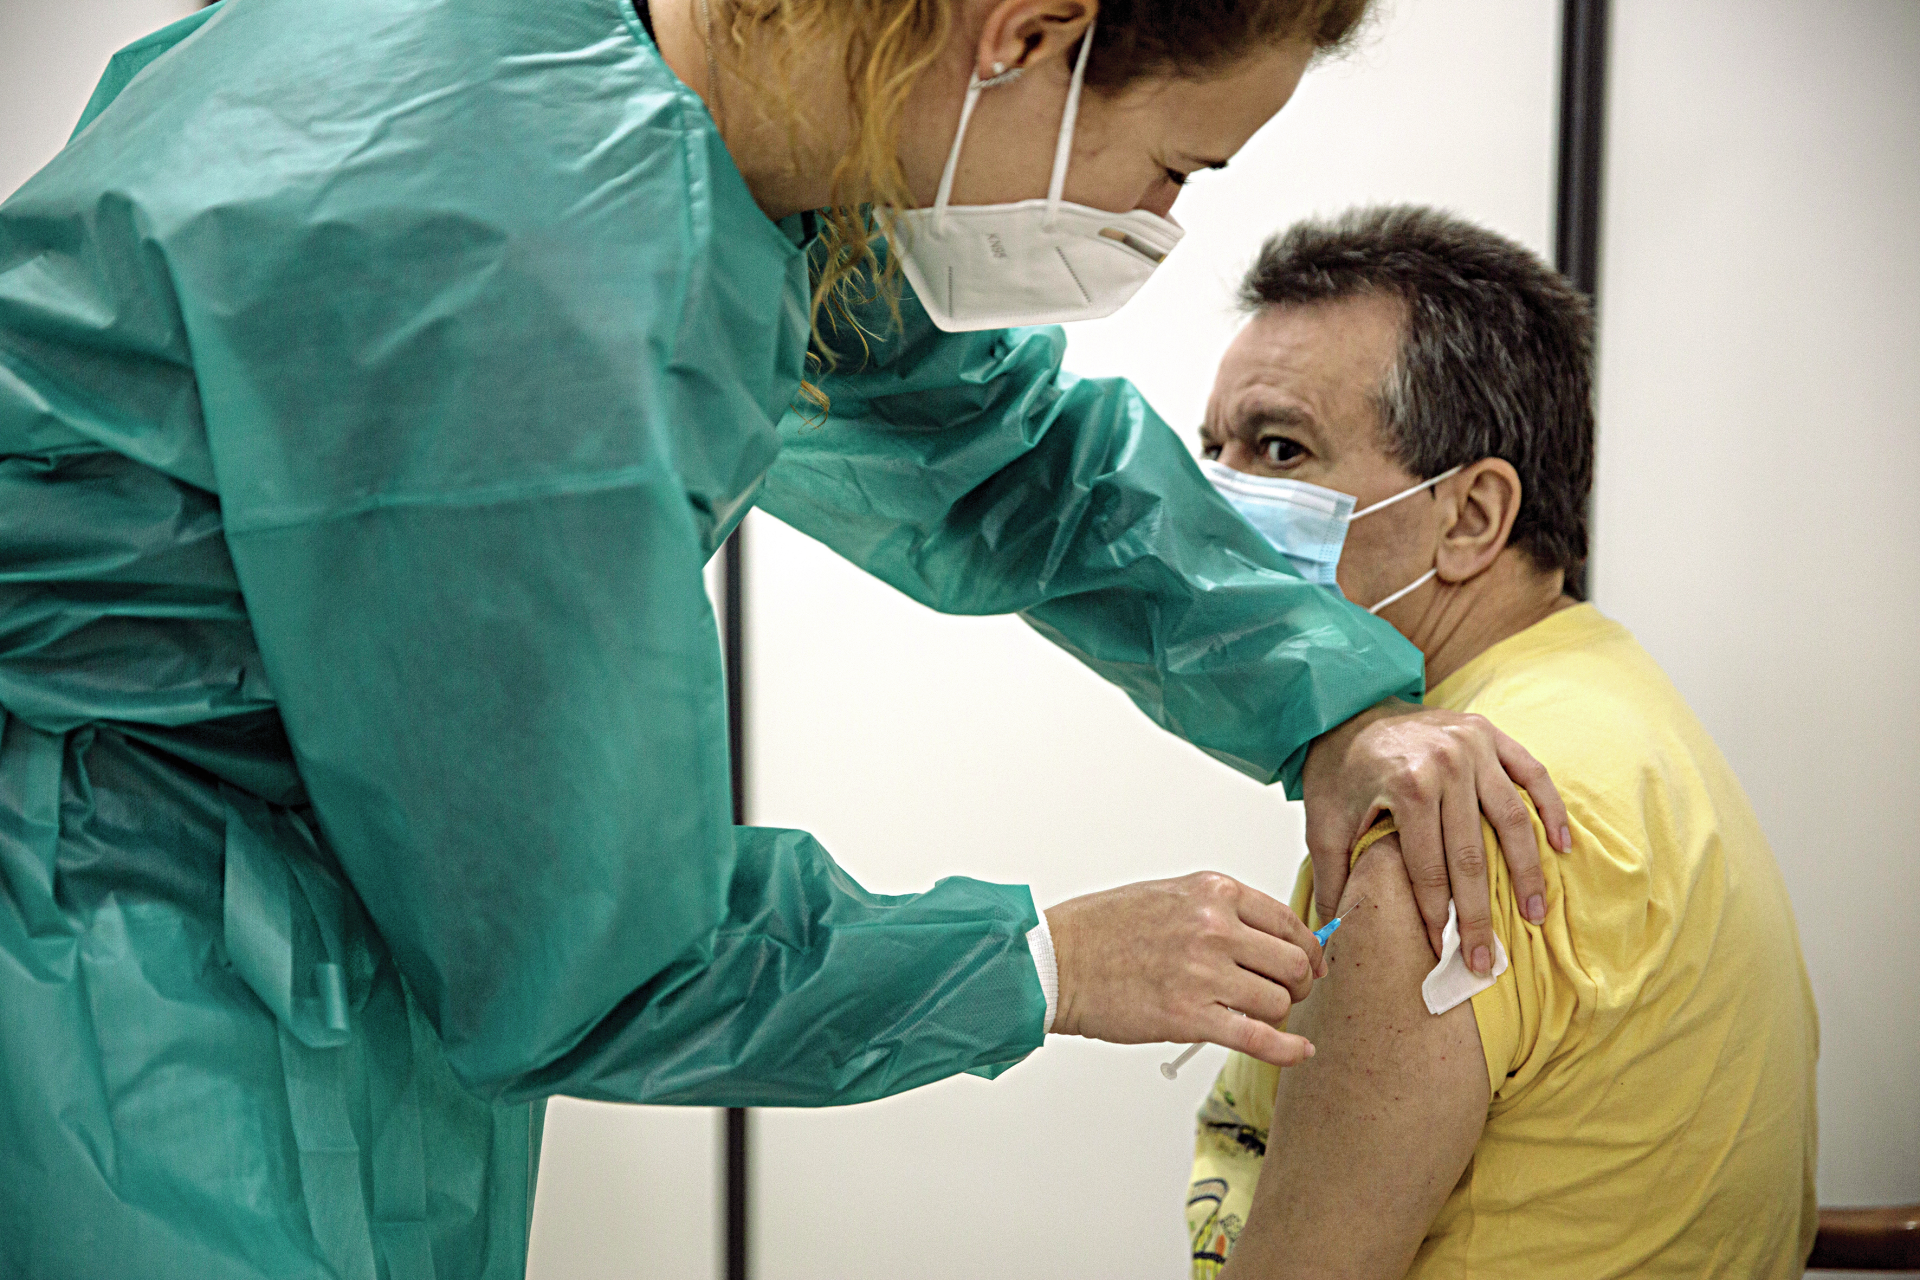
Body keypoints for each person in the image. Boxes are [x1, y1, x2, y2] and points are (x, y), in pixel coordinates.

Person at [0, 1, 1570, 1274]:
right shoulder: (517, 254)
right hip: (112, 970)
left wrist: (1334, 697)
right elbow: (597, 951)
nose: (1156, 222)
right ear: (1020, 37)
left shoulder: (688, 102)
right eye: (1177, 167)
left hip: (241, 905)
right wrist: (1040, 962)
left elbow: (1004, 456)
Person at [1183, 206, 1819, 1279]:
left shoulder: (1446, 832)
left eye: (1279, 448)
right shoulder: (1610, 700)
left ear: (1472, 516)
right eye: (1216, 451)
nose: (1213, 501)